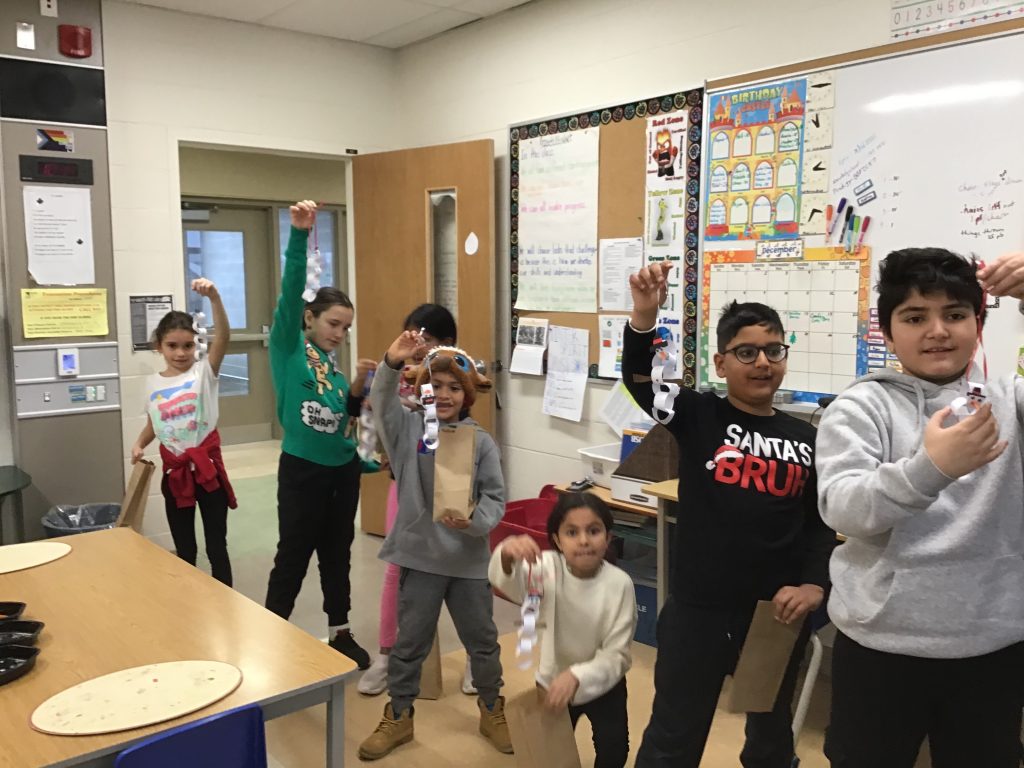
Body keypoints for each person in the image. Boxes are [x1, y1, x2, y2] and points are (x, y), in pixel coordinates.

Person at [816, 248, 1024, 768]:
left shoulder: (1008, 400)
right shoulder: (860, 407)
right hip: (882, 646)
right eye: (914, 317)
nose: (937, 331)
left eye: (955, 314)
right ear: (887, 334)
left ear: (978, 324)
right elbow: (842, 508)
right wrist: (930, 468)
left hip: (992, 645)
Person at [623, 261, 835, 768]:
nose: (762, 362)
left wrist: (814, 584)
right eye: (746, 352)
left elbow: (819, 522)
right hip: (698, 610)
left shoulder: (808, 438)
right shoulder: (699, 415)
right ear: (720, 364)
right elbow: (640, 381)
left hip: (774, 615)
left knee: (770, 733)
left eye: (773, 350)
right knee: (674, 733)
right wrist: (645, 317)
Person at [358, 331, 511, 760]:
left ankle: (491, 707)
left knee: (482, 642)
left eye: (453, 388)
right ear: (422, 390)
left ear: (467, 395)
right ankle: (399, 714)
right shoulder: (408, 431)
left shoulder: (481, 442)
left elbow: (496, 497)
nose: (443, 395)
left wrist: (476, 522)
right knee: (409, 644)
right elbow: (382, 402)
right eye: (435, 386)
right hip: (420, 558)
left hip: (467, 563)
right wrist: (391, 363)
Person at [264, 199, 379, 669]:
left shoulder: (331, 369)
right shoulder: (288, 347)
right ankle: (271, 635)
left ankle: (340, 633)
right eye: (333, 323)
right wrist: (298, 234)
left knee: (337, 555)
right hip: (302, 472)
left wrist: (357, 389)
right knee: (293, 556)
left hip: (341, 473)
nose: (339, 333)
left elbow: (341, 419)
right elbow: (291, 291)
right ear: (309, 318)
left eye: (346, 328)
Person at [360, 303, 482, 697]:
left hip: (453, 485)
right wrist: (391, 366)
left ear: (448, 343)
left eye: (427, 339)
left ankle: (475, 659)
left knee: (464, 577)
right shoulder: (402, 380)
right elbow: (383, 412)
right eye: (413, 337)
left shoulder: (457, 382)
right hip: (407, 487)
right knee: (398, 571)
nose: (419, 346)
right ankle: (386, 656)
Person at [489, 492, 636, 768]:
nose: (583, 540)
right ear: (557, 540)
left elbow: (617, 653)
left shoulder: (620, 584)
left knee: (614, 749)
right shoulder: (545, 568)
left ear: (608, 537)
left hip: (606, 683)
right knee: (551, 749)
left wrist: (578, 676)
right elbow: (512, 585)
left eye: (593, 531)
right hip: (553, 682)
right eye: (572, 532)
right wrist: (507, 553)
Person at [131, 278, 236, 586]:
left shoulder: (204, 372)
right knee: (185, 548)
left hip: (207, 472)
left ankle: (224, 599)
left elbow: (224, 336)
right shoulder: (152, 383)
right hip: (175, 475)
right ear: (159, 346)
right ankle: (187, 599)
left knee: (216, 545)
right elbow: (154, 423)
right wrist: (139, 443)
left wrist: (215, 298)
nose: (180, 353)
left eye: (188, 345)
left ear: (196, 345)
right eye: (172, 346)